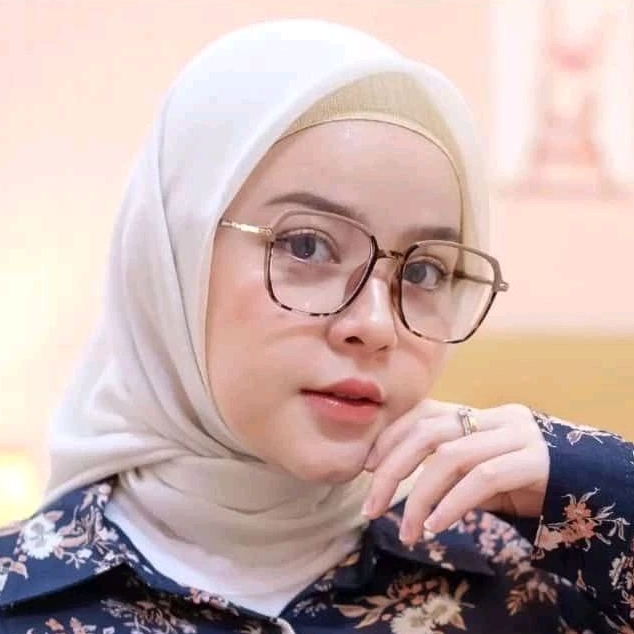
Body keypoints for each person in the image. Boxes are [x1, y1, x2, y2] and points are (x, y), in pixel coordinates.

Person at [0, 19, 632, 634]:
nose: (376, 325)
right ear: (172, 262)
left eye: (426, 272)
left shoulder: (536, 585)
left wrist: (602, 485)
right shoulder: (23, 597)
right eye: (306, 245)